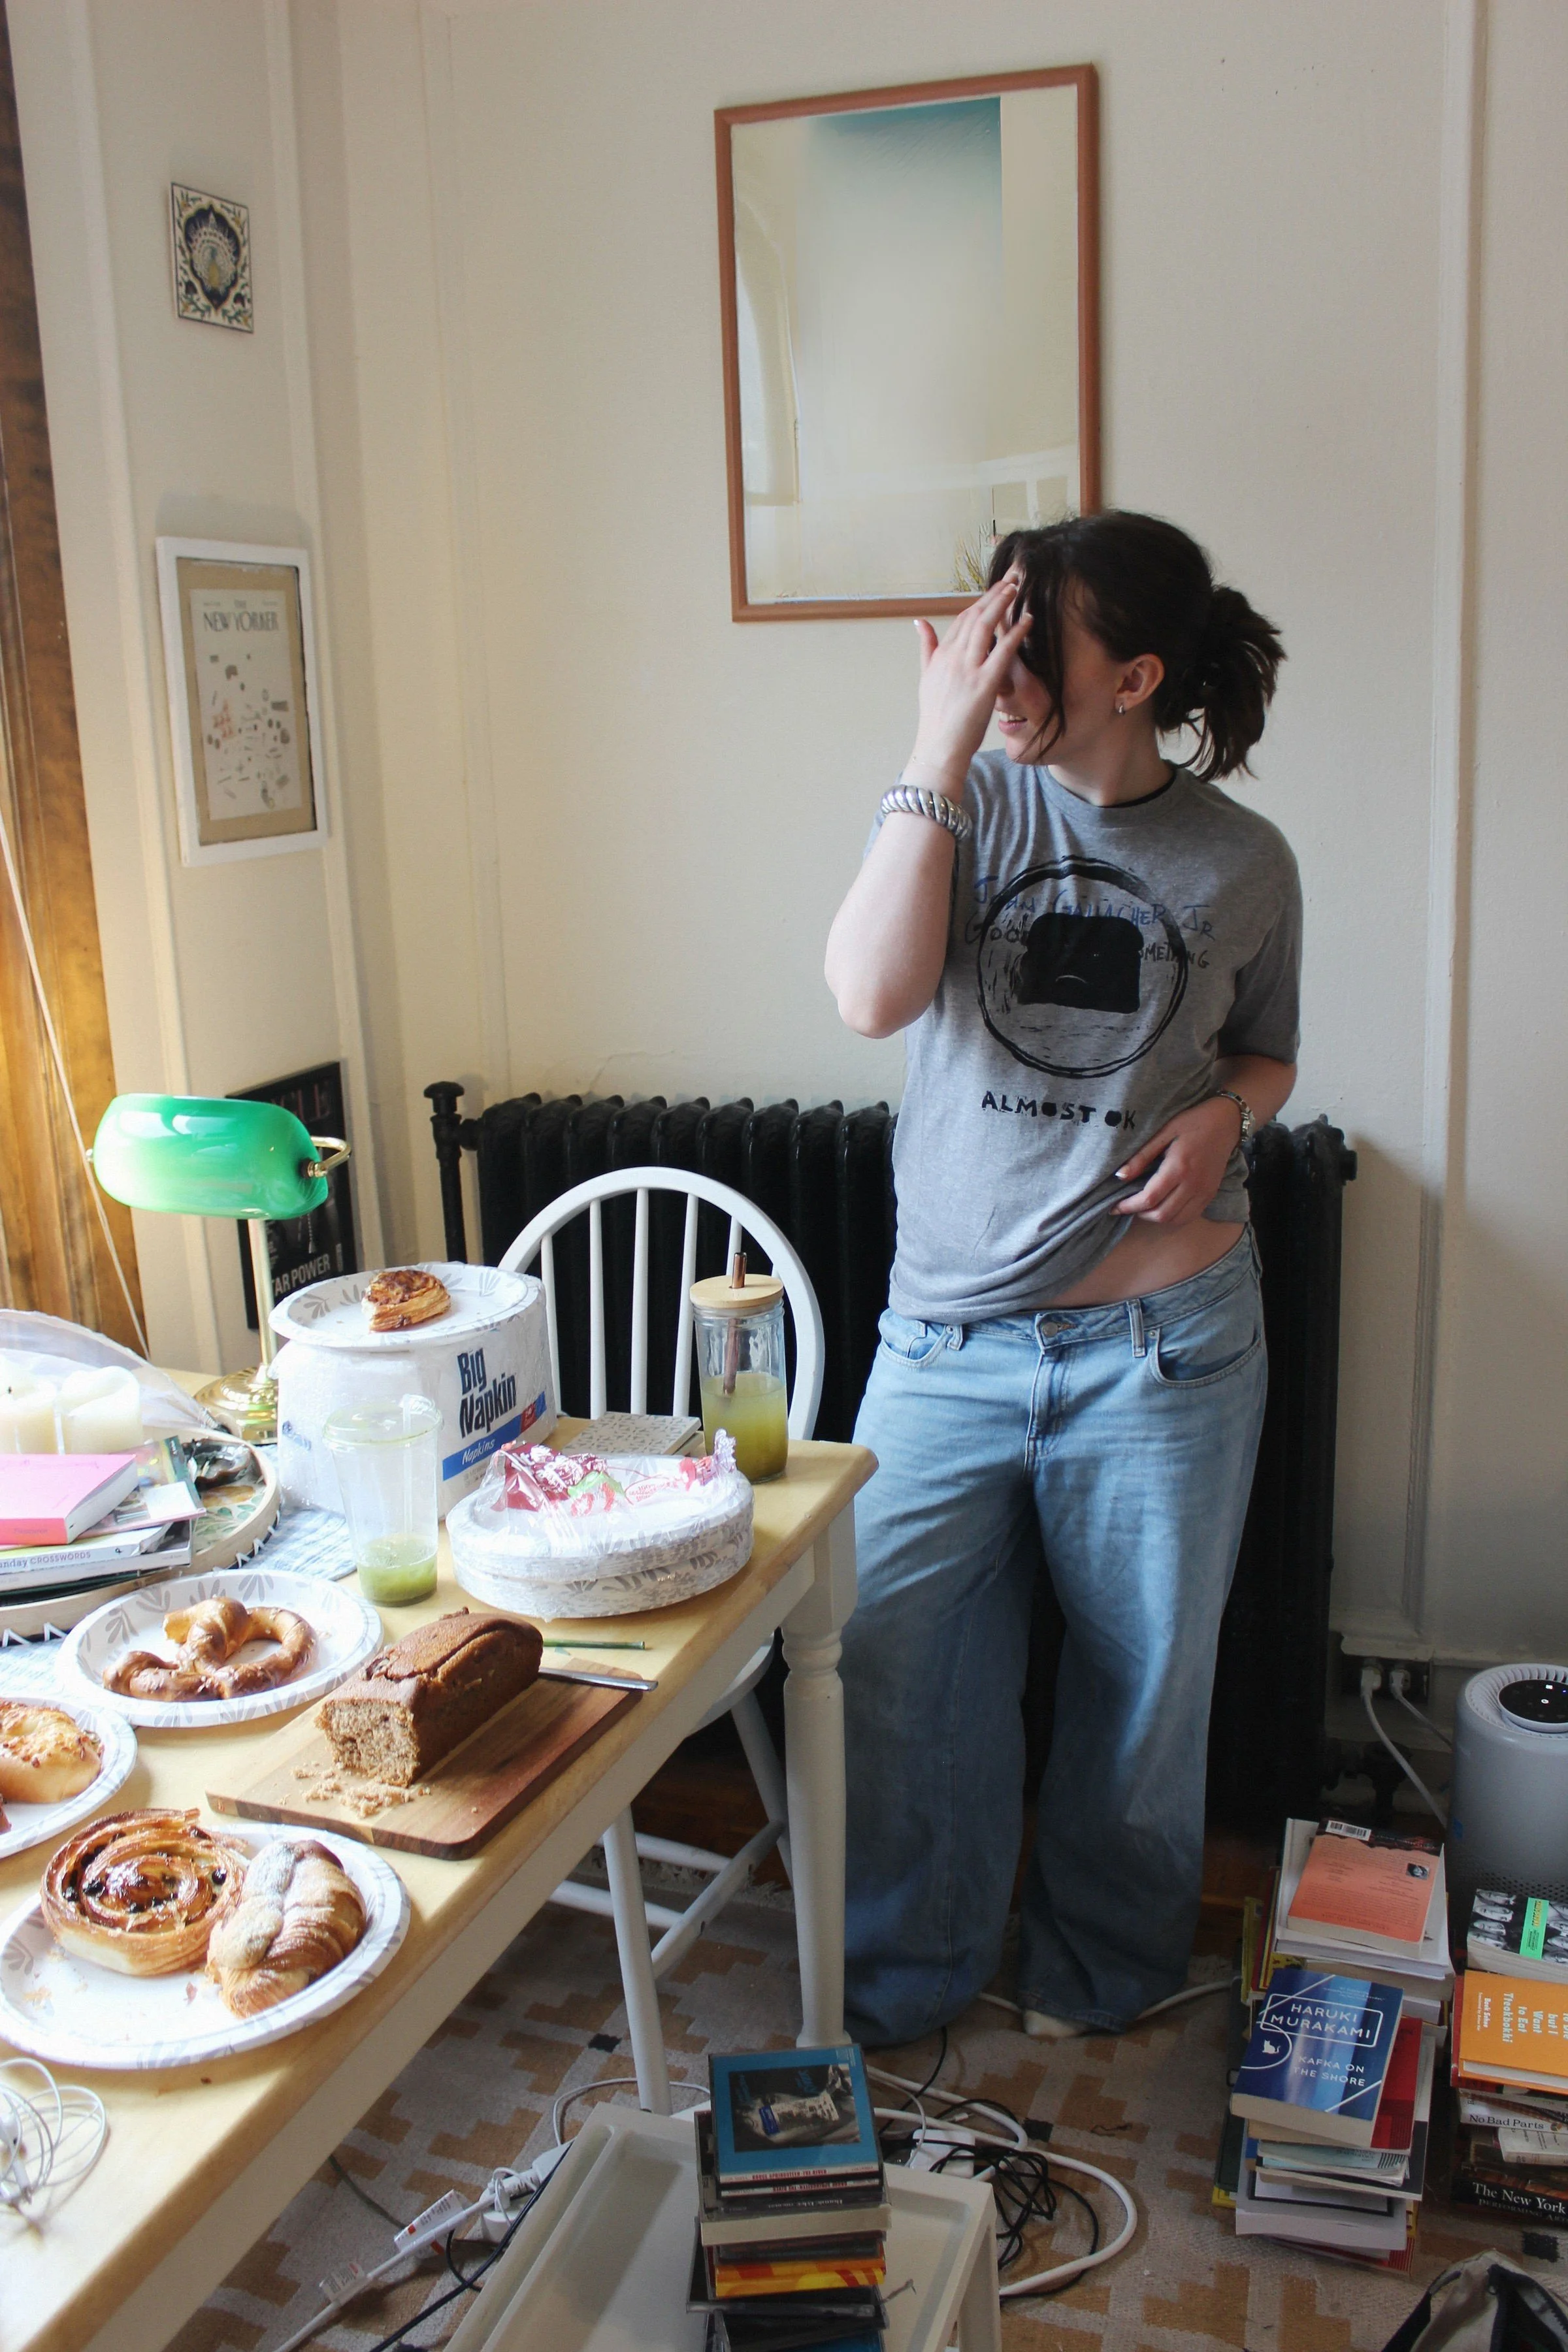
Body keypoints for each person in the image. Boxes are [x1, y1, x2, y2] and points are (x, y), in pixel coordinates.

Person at [824, 510, 1300, 2046]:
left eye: (1034, 641)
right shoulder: (961, 806)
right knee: (900, 1684)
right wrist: (936, 743)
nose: (999, 662)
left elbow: (1267, 1053)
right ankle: (908, 1986)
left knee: (1142, 1698)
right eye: (993, 627)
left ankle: (1102, 1981)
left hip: (1163, 1346)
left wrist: (1232, 1111)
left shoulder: (1243, 859)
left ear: (1138, 674)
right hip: (945, 1343)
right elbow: (866, 995)